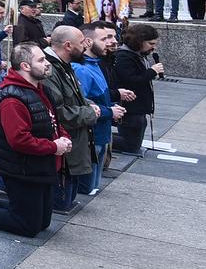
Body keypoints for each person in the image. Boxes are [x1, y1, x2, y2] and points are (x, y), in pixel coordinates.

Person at [0, 42, 71, 238]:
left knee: (43, 222)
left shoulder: (40, 89)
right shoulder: (12, 99)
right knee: (27, 226)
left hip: (42, 166)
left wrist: (63, 138)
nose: (47, 63)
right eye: (41, 60)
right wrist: (53, 147)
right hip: (23, 170)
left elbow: (53, 121)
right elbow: (19, 140)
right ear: (25, 66)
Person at [41, 26, 112, 212]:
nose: (86, 45)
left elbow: (74, 95)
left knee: (69, 198)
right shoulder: (49, 69)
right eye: (82, 43)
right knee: (61, 201)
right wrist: (92, 113)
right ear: (68, 45)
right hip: (64, 147)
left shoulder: (65, 65)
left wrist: (89, 104)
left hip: (74, 144)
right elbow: (58, 111)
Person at [72, 22, 122, 195]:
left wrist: (111, 106)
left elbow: (98, 96)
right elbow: (80, 104)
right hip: (92, 134)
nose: (111, 41)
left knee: (93, 186)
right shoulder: (81, 69)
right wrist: (109, 111)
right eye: (105, 38)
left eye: (113, 37)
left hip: (101, 132)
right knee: (86, 188)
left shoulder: (95, 64)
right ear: (87, 42)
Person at [111, 23, 162, 155]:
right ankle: (98, 139)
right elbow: (131, 81)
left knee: (134, 141)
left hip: (139, 106)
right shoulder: (124, 56)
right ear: (139, 41)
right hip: (130, 107)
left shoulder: (138, 55)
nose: (153, 47)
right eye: (151, 43)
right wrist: (151, 72)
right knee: (130, 144)